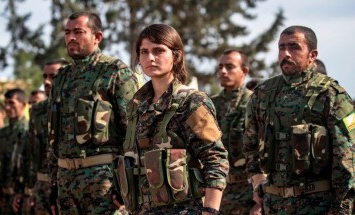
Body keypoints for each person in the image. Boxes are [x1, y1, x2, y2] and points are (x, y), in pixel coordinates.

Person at [113, 23, 229, 215]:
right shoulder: (135, 106)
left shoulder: (192, 101)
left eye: (158, 50)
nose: (150, 57)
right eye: (144, 52)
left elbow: (215, 159)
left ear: (176, 56)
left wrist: (210, 210)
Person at [243, 25, 355, 214]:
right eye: (281, 47)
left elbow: (347, 159)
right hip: (274, 205)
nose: (285, 53)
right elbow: (250, 144)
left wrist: (342, 208)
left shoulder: (332, 95)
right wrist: (258, 182)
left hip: (317, 205)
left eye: (294, 47)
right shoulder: (262, 94)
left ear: (312, 55)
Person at [48, 11, 139, 214]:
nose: (71, 37)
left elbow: (135, 133)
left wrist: (127, 184)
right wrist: (53, 185)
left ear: (97, 37)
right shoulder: (61, 78)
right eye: (68, 32)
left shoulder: (115, 72)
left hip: (103, 184)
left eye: (78, 32)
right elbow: (53, 138)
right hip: (66, 184)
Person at [211, 49, 257, 215]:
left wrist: (260, 202)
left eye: (230, 67)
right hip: (218, 193)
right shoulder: (210, 105)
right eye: (220, 67)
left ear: (244, 71)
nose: (223, 71)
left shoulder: (255, 102)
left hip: (249, 192)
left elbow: (266, 153)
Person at [23, 59, 69, 215]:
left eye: (52, 76)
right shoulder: (36, 111)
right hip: (41, 186)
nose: (47, 82)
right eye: (44, 76)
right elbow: (31, 151)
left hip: (68, 185)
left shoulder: (75, 106)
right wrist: (31, 189)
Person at [0, 88, 29, 215]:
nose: (7, 107)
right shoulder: (3, 133)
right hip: (3, 196)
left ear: (23, 104)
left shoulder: (28, 131)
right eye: (5, 103)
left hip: (21, 197)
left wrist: (22, 193)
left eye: (11, 103)